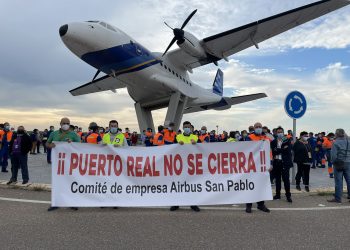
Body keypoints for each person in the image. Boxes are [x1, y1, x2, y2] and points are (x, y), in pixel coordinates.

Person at [46, 117, 81, 212]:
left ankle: (71, 202)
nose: (66, 124)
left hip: (70, 163)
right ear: (60, 124)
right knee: (57, 183)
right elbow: (47, 144)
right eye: (64, 123)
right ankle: (56, 203)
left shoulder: (74, 134)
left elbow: (80, 146)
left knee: (70, 182)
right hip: (58, 163)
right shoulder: (54, 133)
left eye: (67, 123)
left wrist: (72, 143)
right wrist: (51, 145)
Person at [170, 121, 200, 212]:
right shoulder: (178, 136)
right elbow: (172, 147)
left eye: (188, 127)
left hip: (191, 165)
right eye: (185, 127)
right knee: (178, 184)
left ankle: (193, 203)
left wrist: (195, 143)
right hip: (180, 164)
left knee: (192, 185)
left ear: (191, 128)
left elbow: (200, 146)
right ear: (183, 128)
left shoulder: (194, 137)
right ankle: (176, 203)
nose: (187, 128)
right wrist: (178, 143)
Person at [245, 122, 271, 213]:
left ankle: (261, 204)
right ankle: (248, 205)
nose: (259, 128)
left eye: (260, 127)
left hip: (262, 166)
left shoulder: (266, 138)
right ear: (254, 128)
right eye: (257, 127)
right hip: (252, 165)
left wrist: (270, 163)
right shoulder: (249, 137)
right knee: (250, 185)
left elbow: (269, 152)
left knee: (261, 185)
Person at [327, 129, 350, 203]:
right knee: (349, 180)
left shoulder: (335, 142)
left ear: (336, 134)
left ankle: (338, 198)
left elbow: (333, 156)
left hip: (338, 163)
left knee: (338, 181)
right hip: (348, 162)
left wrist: (332, 162)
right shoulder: (348, 141)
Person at [271, 127, 293, 202]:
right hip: (277, 162)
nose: (280, 133)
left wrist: (278, 150)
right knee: (277, 180)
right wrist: (281, 150)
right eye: (278, 132)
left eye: (281, 132)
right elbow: (273, 152)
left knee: (286, 180)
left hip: (285, 163)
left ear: (283, 133)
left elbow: (287, 151)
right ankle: (277, 195)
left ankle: (288, 196)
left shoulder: (287, 140)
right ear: (276, 133)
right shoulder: (273, 141)